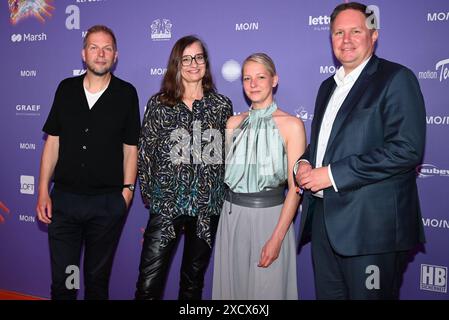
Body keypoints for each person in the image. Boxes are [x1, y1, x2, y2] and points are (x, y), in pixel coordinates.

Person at [295, 2, 426, 300]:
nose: (346, 39)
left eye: (356, 30)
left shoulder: (396, 79)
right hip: (325, 227)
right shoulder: (327, 86)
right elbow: (324, 145)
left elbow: (406, 149)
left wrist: (331, 174)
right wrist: (303, 164)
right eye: (338, 32)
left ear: (374, 34)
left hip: (371, 232)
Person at [36, 25, 141, 300]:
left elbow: (131, 149)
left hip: (106, 206)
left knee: (96, 282)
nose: (101, 54)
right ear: (84, 54)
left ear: (115, 56)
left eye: (107, 48)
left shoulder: (126, 94)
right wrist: (43, 191)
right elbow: (52, 143)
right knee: (66, 281)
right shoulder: (66, 89)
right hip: (65, 204)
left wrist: (127, 194)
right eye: (94, 47)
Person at [136, 35, 233, 300]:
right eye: (186, 58)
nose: (193, 64)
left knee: (192, 285)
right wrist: (151, 194)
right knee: (147, 285)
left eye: (199, 57)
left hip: (206, 209)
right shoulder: (159, 104)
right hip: (166, 205)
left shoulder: (221, 106)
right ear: (176, 64)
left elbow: (225, 157)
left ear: (206, 63)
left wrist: (217, 195)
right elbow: (145, 153)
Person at [212, 53, 306, 300]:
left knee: (268, 292)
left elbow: (295, 189)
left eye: (260, 77)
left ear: (274, 80)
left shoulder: (291, 125)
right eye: (247, 78)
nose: (253, 84)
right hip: (231, 218)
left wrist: (277, 238)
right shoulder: (233, 124)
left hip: (270, 219)